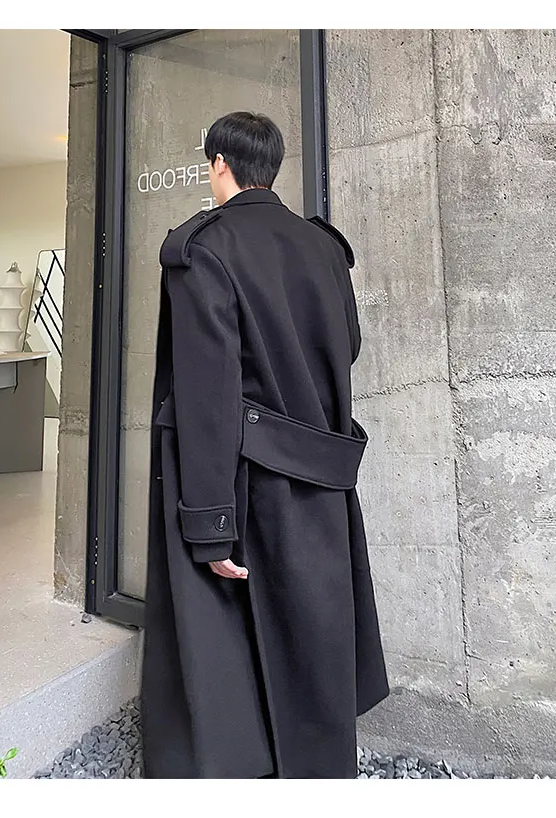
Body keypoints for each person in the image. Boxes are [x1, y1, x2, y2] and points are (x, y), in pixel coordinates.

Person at [140, 111, 389, 779]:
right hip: (322, 464)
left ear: (218, 163)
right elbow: (346, 348)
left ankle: (239, 772)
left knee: (226, 637)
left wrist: (209, 522)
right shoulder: (323, 247)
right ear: (271, 169)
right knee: (312, 621)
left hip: (244, 474)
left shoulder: (203, 249)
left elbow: (207, 391)